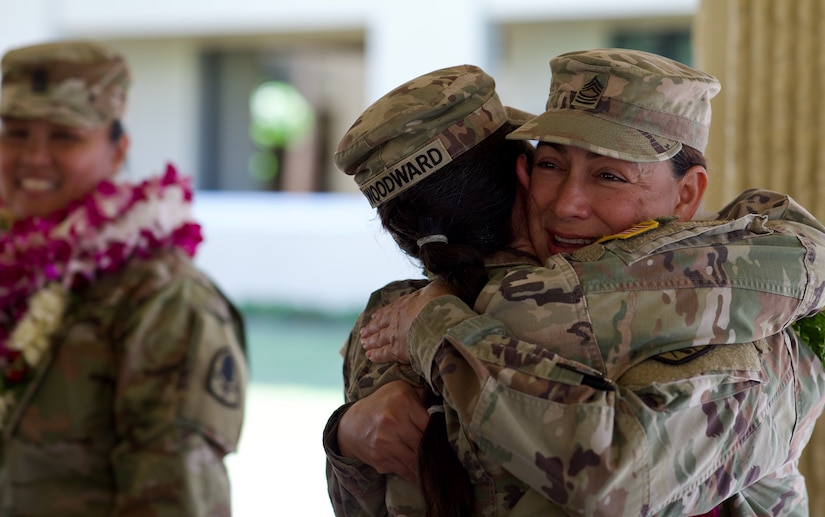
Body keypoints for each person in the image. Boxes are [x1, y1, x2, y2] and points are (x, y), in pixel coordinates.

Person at [327, 53, 825, 516]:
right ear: (523, 173)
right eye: (552, 165)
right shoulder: (417, 309)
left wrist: (436, 329)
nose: (567, 204)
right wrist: (348, 438)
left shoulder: (739, 330)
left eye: (610, 176)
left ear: (686, 194)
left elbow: (619, 477)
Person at [0, 40, 247, 515]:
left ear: (118, 151)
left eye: (65, 136)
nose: (34, 157)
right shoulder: (11, 273)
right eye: (15, 134)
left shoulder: (162, 296)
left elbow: (176, 499)